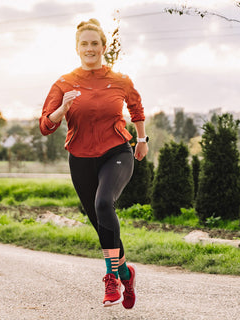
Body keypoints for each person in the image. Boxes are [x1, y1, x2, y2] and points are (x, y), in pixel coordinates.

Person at [39, 18, 148, 308]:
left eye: (94, 43)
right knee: (101, 224)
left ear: (103, 47)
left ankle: (111, 279)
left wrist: (142, 139)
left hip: (117, 152)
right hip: (81, 159)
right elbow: (45, 125)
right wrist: (62, 108)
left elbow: (136, 108)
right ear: (77, 48)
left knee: (103, 205)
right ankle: (126, 272)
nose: (90, 48)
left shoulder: (120, 80)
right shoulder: (64, 83)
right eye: (84, 44)